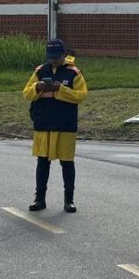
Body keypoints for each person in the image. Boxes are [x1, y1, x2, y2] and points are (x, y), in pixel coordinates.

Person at [22, 39, 88, 213]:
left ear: (64, 54)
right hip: (43, 123)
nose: (53, 61)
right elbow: (26, 93)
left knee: (67, 162)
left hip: (64, 124)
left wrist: (60, 89)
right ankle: (39, 199)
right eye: (50, 57)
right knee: (42, 161)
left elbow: (81, 95)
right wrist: (38, 87)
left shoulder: (73, 72)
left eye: (56, 57)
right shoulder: (39, 71)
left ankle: (69, 200)